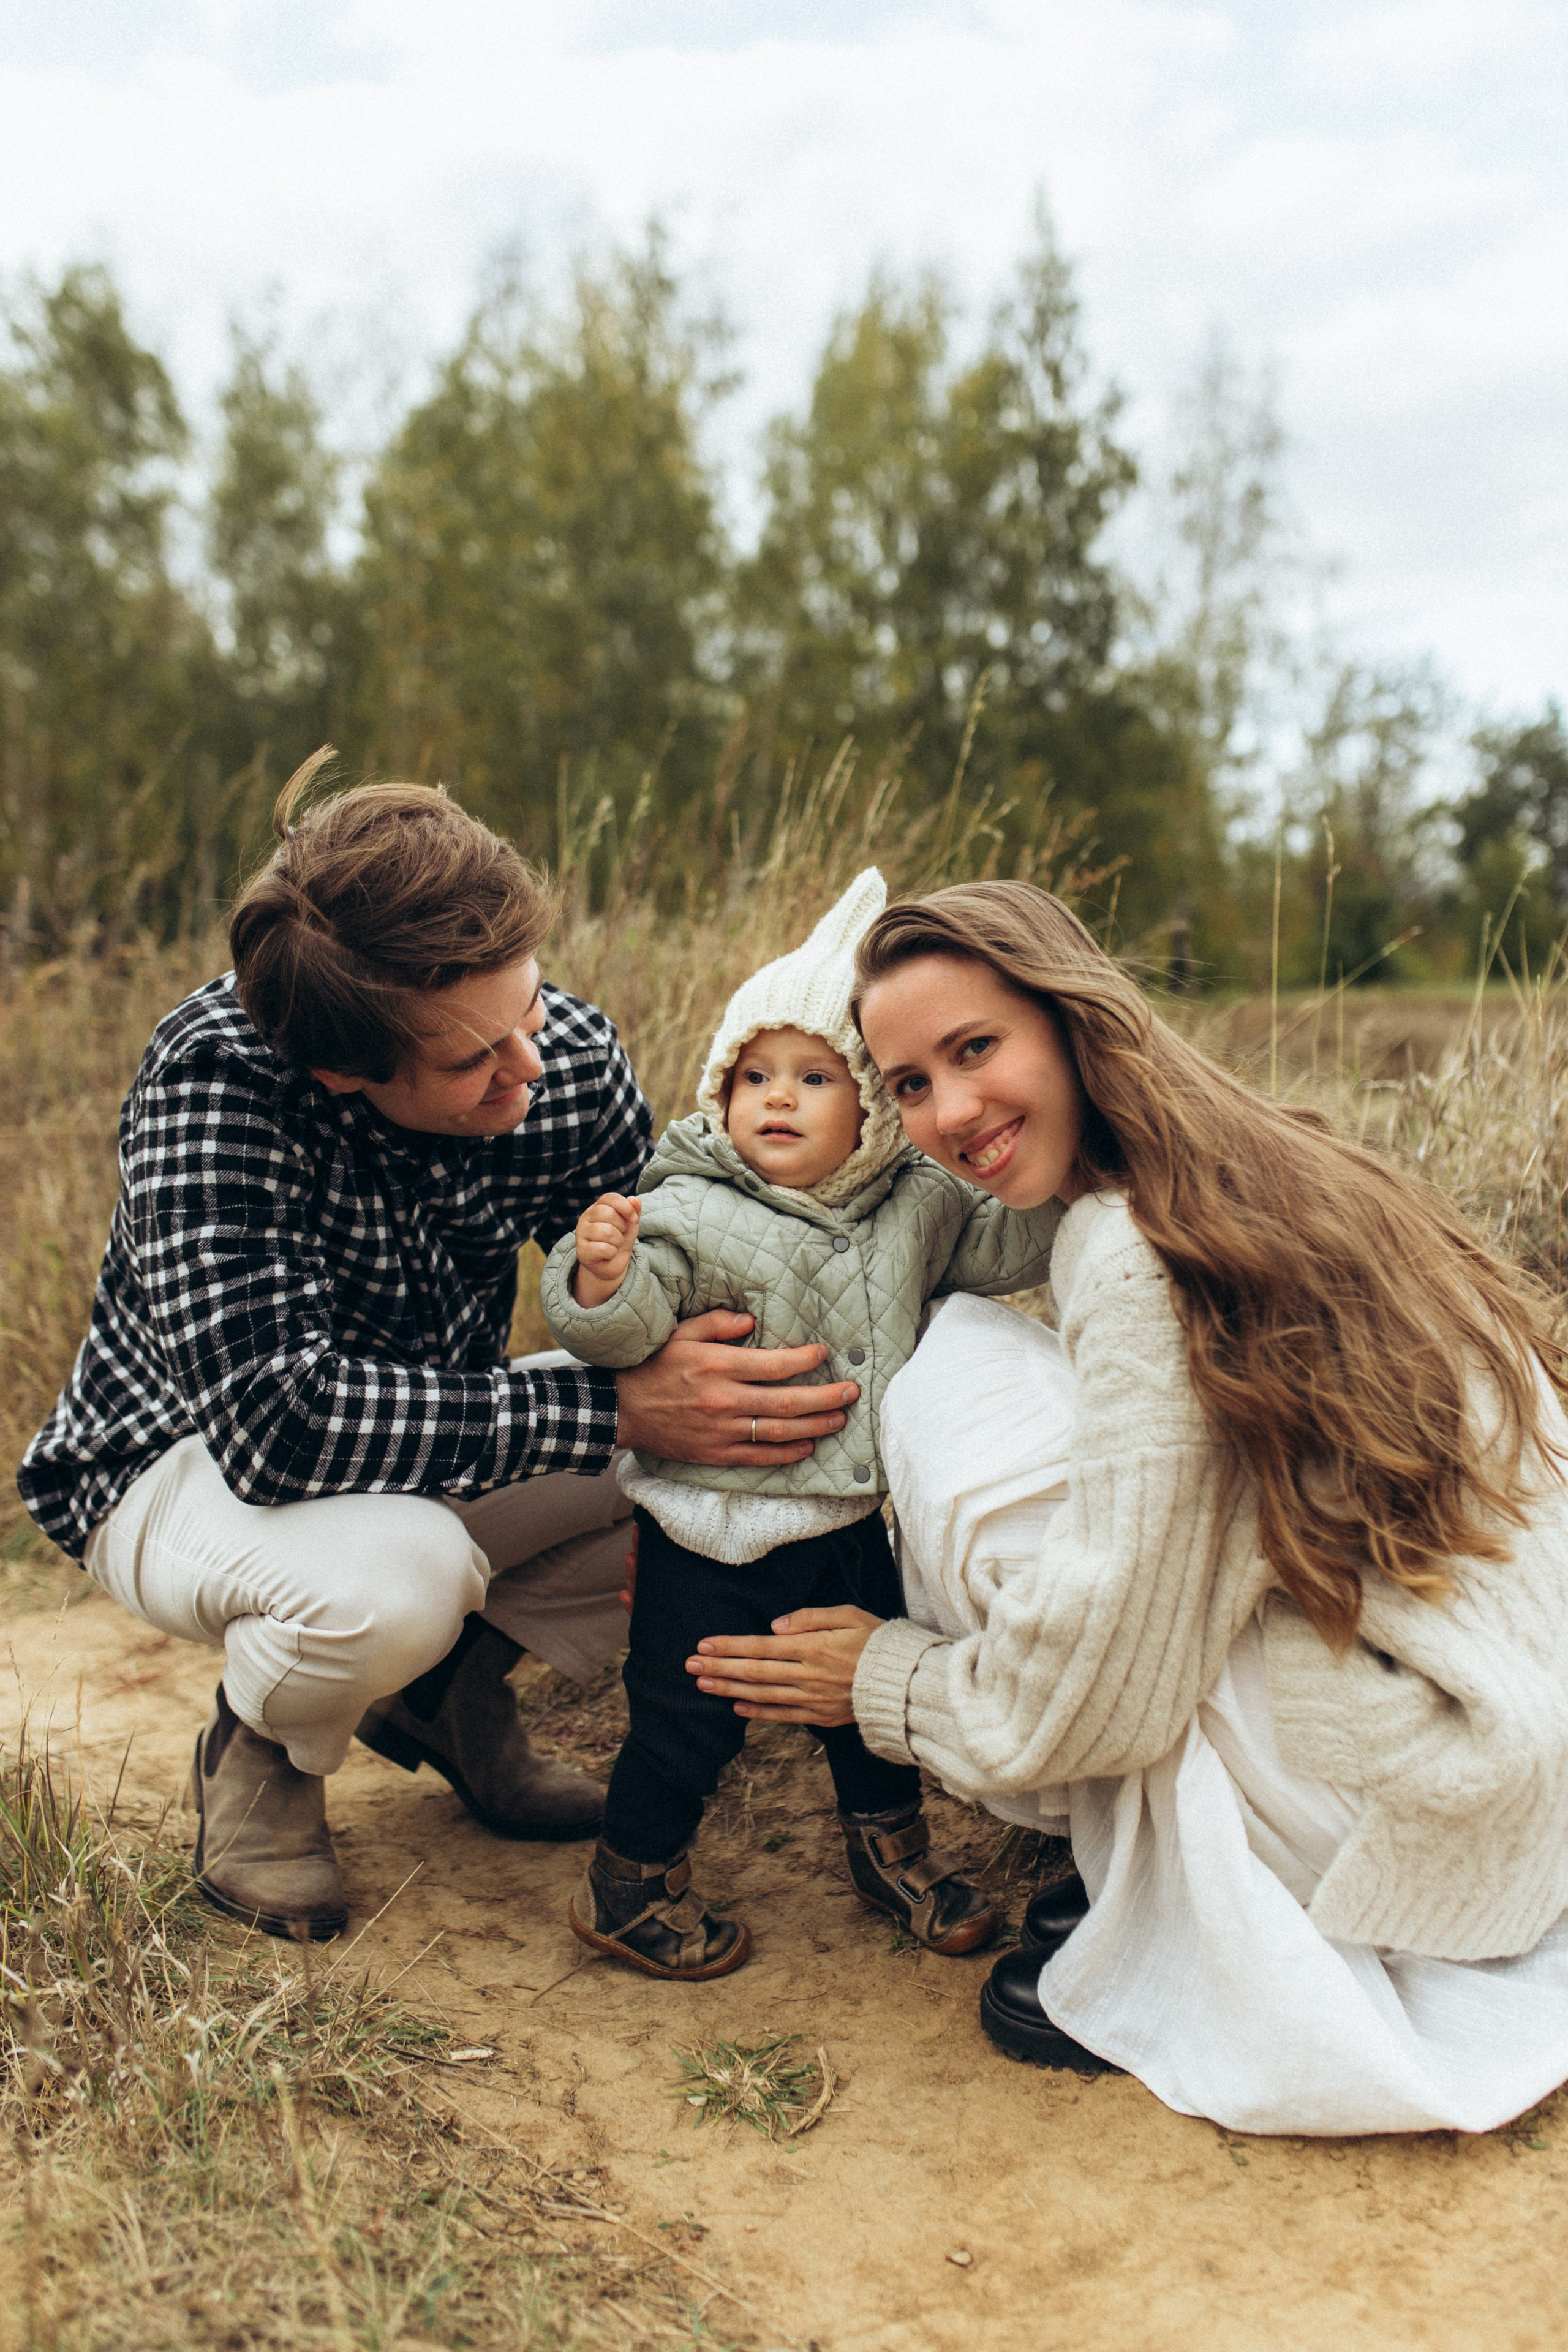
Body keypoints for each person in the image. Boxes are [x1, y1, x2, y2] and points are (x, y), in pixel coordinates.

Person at [683, 880, 1568, 2136]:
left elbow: (1106, 1684)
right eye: (909, 1086)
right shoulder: (1264, 1157)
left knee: (951, 1378)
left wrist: (889, 1681)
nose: (949, 1113)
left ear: (1067, 1018)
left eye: (974, 1050)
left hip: (1389, 1811)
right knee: (1023, 1390)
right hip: (1516, 1753)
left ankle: (1156, 1888)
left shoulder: (1132, 1248)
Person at [15, 754, 862, 1943]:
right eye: (473, 1059)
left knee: (748, 1424)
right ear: (341, 1073)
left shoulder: (548, 1049)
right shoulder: (218, 1079)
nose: (530, 1064)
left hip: (423, 1431)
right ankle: (264, 1749)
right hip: (172, 1465)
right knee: (398, 1576)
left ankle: (444, 1698)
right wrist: (614, 1411)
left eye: (527, 1011)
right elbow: (278, 1428)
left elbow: (669, 1288)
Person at [538, 872, 1063, 1979]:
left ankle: (893, 1853)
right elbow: (624, 1331)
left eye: (816, 1077)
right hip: (703, 1531)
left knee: (863, 1698)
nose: (776, 1098)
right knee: (683, 1719)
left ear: (873, 1107)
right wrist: (600, 1278)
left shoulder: (915, 1205)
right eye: (753, 1075)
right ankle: (629, 1881)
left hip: (839, 1522)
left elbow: (1009, 1249)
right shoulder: (686, 1206)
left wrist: (1078, 1175)